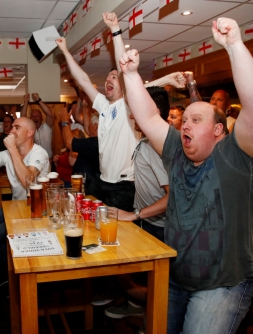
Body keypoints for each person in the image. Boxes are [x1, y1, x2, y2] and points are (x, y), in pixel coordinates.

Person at [119, 17, 253, 334]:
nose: (184, 124)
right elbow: (146, 115)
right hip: (177, 276)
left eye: (195, 119)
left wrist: (234, 46)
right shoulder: (176, 151)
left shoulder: (238, 155)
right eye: (183, 119)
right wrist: (130, 75)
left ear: (218, 129)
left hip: (224, 283)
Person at [56, 12, 185, 212]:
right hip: (101, 181)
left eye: (114, 78)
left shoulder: (127, 104)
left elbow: (126, 73)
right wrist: (65, 51)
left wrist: (115, 30)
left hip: (125, 186)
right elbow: (82, 79)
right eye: (108, 78)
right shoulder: (103, 105)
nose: (109, 79)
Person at [103, 87, 170, 322]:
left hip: (160, 226)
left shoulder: (158, 147)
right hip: (148, 221)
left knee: (158, 285)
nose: (132, 116)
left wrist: (135, 215)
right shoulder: (147, 140)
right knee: (128, 271)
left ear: (153, 112)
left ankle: (154, 321)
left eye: (136, 111)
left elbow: (173, 197)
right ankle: (137, 306)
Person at [0, 117, 50, 264]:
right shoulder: (7, 154)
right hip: (14, 206)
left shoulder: (39, 153)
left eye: (17, 128)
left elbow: (28, 182)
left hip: (33, 211)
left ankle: (12, 272)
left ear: (30, 133)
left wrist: (12, 150)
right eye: (12, 127)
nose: (11, 131)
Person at [21, 93, 54, 158]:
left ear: (41, 117)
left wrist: (38, 100)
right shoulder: (29, 130)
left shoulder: (47, 127)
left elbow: (50, 114)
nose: (35, 118)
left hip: (47, 160)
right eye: (32, 116)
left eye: (37, 116)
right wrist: (26, 102)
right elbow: (22, 118)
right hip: (33, 161)